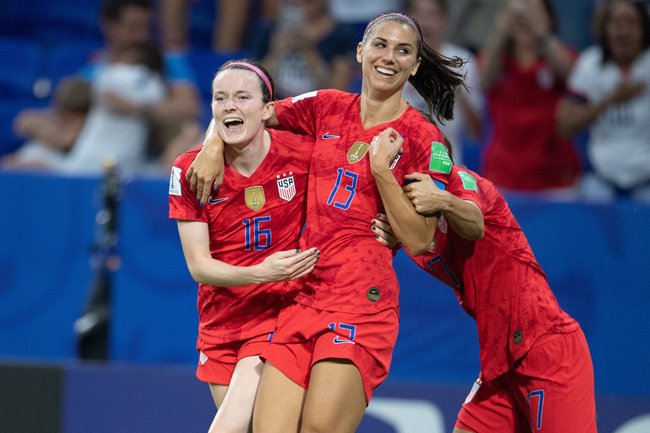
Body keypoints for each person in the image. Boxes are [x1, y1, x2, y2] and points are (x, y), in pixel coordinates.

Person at [186, 11, 466, 433]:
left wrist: (382, 173)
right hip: (301, 296)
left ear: (416, 65)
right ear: (360, 51)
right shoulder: (325, 106)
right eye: (380, 45)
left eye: (403, 50)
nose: (389, 57)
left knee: (318, 429)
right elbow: (243, 109)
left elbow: (422, 241)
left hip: (360, 301)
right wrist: (210, 147)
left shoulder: (424, 138)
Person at [374, 150, 596, 431]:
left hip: (545, 347)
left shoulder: (464, 181)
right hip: (501, 361)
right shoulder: (412, 221)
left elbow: (475, 223)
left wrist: (442, 198)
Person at [168, 60, 320, 433]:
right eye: (220, 98)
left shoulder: (303, 154)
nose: (229, 105)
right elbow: (199, 267)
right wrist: (259, 273)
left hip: (279, 314)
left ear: (269, 110)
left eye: (242, 97)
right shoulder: (189, 171)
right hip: (221, 322)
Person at [479, 0, 581, 198]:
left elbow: (573, 76)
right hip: (504, 177)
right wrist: (499, 32)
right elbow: (484, 79)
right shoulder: (497, 61)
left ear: (549, 19)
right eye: (519, 13)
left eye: (533, 12)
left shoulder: (563, 56)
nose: (525, 18)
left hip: (556, 176)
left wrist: (541, 33)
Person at [557, 0, 650, 202]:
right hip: (602, 181)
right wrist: (611, 100)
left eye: (632, 23)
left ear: (644, 28)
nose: (623, 32)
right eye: (616, 23)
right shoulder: (590, 63)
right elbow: (564, 124)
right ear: (605, 29)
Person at [79, 0, 201, 150]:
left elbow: (189, 108)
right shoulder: (93, 70)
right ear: (109, 25)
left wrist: (135, 109)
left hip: (157, 152)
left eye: (146, 28)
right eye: (134, 27)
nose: (142, 36)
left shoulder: (166, 62)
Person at [57, 42, 167, 177]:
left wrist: (129, 107)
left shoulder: (117, 73)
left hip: (96, 159)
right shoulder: (156, 85)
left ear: (135, 57)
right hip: (121, 160)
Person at [402, 0, 484, 167]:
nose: (424, 23)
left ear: (444, 19)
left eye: (431, 15)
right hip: (402, 165)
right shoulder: (393, 61)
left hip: (447, 167)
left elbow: (476, 131)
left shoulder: (463, 61)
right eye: (419, 14)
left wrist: (455, 86)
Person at [259, 0, 358, 99]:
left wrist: (307, 51)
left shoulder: (342, 35)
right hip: (276, 107)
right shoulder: (267, 31)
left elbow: (338, 92)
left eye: (309, 2)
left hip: (319, 109)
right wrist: (276, 53)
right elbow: (257, 88)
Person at [1, 76, 90, 171]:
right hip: (31, 159)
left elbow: (66, 141)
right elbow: (23, 123)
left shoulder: (87, 121)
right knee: (8, 163)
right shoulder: (55, 113)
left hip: (61, 169)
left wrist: (38, 133)